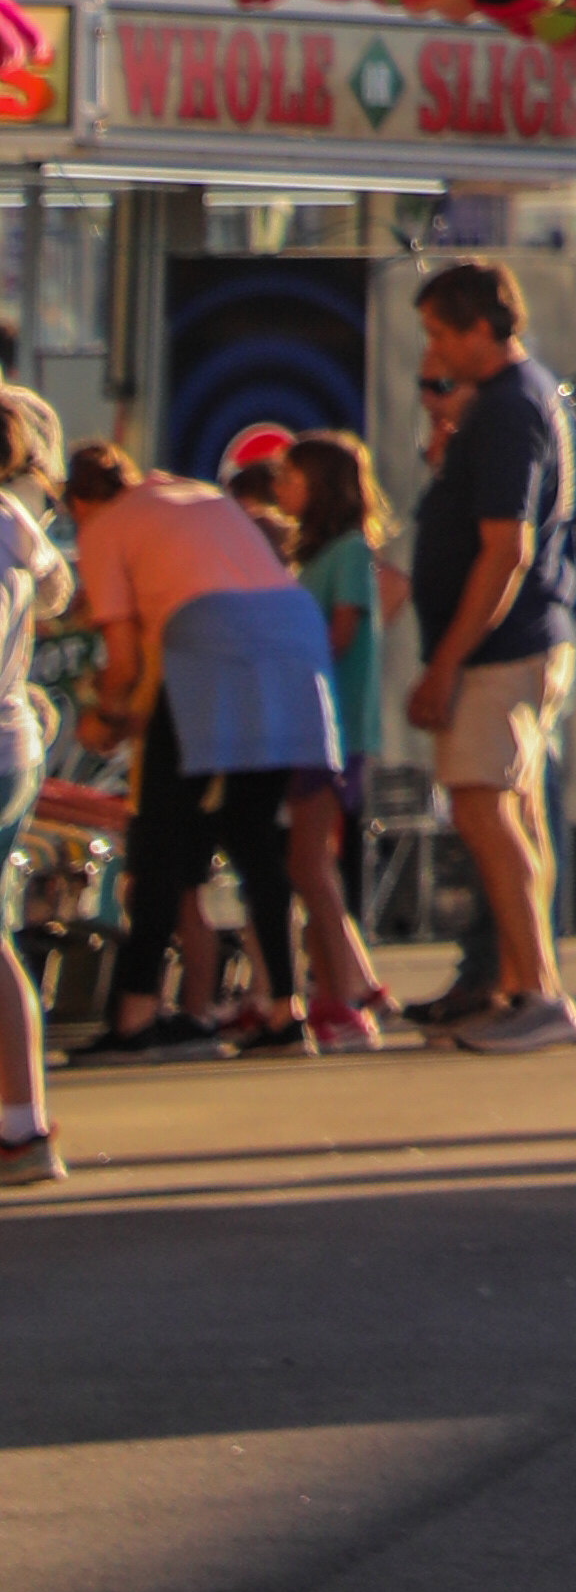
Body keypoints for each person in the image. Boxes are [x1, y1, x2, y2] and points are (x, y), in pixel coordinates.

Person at [67, 439, 335, 1058]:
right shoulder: (200, 496)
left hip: (205, 644)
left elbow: (126, 661)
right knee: (252, 834)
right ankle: (282, 1011)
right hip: (292, 640)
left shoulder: (105, 528)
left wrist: (106, 716)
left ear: (81, 503)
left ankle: (134, 1015)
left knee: (158, 842)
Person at [401, 258, 576, 1052]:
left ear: (482, 328)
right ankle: (518, 984)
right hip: (519, 640)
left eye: (442, 333)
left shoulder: (511, 406)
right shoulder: (510, 401)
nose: (435, 354)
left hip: (501, 646)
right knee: (509, 807)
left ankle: (539, 991)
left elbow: (505, 547)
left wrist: (448, 661)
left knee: (484, 803)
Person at [270, 435, 398, 1048]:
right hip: (310, 722)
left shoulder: (348, 551)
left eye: (291, 476)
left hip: (331, 724)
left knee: (309, 860)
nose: (280, 486)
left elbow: (341, 633)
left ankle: (342, 995)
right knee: (307, 860)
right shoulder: (318, 555)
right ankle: (342, 984)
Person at [0, 386, 67, 1194]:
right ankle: (22, 1122)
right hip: (16, 740)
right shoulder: (16, 523)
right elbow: (57, 592)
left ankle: (23, 1126)